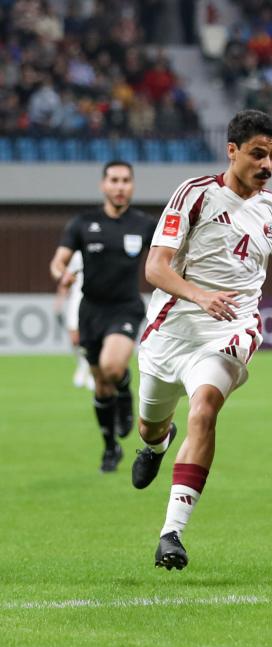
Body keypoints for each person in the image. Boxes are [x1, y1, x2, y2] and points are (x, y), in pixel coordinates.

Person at [132, 110, 272, 570]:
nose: (267, 164)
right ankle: (156, 444)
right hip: (171, 331)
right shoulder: (194, 195)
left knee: (205, 409)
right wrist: (200, 296)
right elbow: (155, 267)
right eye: (257, 154)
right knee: (150, 425)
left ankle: (171, 533)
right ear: (232, 151)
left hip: (232, 330)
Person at [48, 161, 157, 472]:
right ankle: (110, 447)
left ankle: (125, 389)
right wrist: (62, 274)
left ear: (132, 186)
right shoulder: (83, 223)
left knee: (112, 367)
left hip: (126, 307)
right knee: (100, 385)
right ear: (103, 185)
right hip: (91, 311)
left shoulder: (144, 225)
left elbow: (165, 259)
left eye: (125, 180)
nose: (119, 186)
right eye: (114, 180)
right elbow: (58, 262)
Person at [54, 250, 95, 390]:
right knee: (74, 339)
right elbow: (66, 278)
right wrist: (60, 299)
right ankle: (82, 365)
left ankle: (91, 371)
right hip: (76, 298)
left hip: (94, 299)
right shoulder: (75, 255)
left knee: (92, 337)